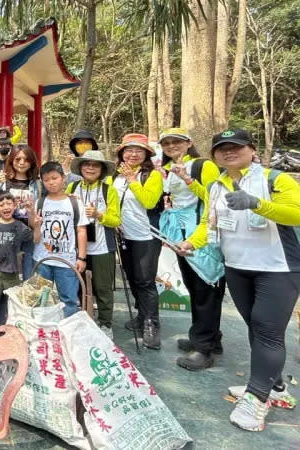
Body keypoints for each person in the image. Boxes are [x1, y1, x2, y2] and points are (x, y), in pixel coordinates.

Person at [179, 129, 300, 431]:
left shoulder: (275, 179)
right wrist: (191, 243)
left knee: (267, 331)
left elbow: (296, 214)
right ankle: (276, 387)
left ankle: (257, 398)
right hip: (237, 267)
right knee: (255, 327)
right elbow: (210, 223)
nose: (228, 152)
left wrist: (257, 204)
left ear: (252, 149)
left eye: (236, 147)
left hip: (277, 268)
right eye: (222, 148)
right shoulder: (216, 185)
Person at [157, 127, 225, 370]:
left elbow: (214, 199)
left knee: (206, 288)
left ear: (189, 143)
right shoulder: (166, 170)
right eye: (167, 143)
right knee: (195, 289)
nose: (172, 146)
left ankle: (204, 349)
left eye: (177, 141)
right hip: (181, 234)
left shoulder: (203, 166)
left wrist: (187, 178)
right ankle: (208, 337)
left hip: (203, 235)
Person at [113, 133, 164, 349]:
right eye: (128, 150)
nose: (133, 154)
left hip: (146, 235)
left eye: (138, 150)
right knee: (132, 277)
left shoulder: (153, 176)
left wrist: (133, 181)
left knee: (145, 279)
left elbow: (150, 201)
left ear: (146, 155)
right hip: (124, 235)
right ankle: (141, 314)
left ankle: (152, 324)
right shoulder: (115, 175)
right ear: (121, 153)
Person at [66, 150, 121, 338]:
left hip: (102, 247)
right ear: (80, 167)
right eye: (86, 164)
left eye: (95, 165)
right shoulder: (71, 188)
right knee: (77, 285)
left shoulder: (108, 190)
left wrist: (98, 215)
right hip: (76, 247)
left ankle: (105, 323)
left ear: (102, 169)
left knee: (103, 287)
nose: (90, 168)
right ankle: (82, 318)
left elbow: (115, 220)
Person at [34, 161, 89, 317]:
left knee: (69, 299)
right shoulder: (40, 202)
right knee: (41, 299)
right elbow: (35, 229)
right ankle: (43, 330)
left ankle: (68, 331)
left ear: (63, 178)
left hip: (67, 260)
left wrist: (82, 257)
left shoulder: (75, 202)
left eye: (54, 178)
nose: (51, 183)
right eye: (46, 180)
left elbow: (81, 230)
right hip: (43, 259)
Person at [0, 192, 35, 331]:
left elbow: (35, 239)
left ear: (15, 206)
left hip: (12, 273)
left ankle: (8, 331)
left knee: (12, 304)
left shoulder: (19, 226)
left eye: (9, 203)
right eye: (1, 205)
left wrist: (35, 222)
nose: (6, 207)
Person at [0, 144, 41, 280]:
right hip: (3, 235)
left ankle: (22, 301)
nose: (22, 163)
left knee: (27, 275)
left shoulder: (37, 184)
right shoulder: (3, 180)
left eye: (26, 159)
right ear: (11, 160)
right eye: (17, 159)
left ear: (32, 162)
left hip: (27, 234)